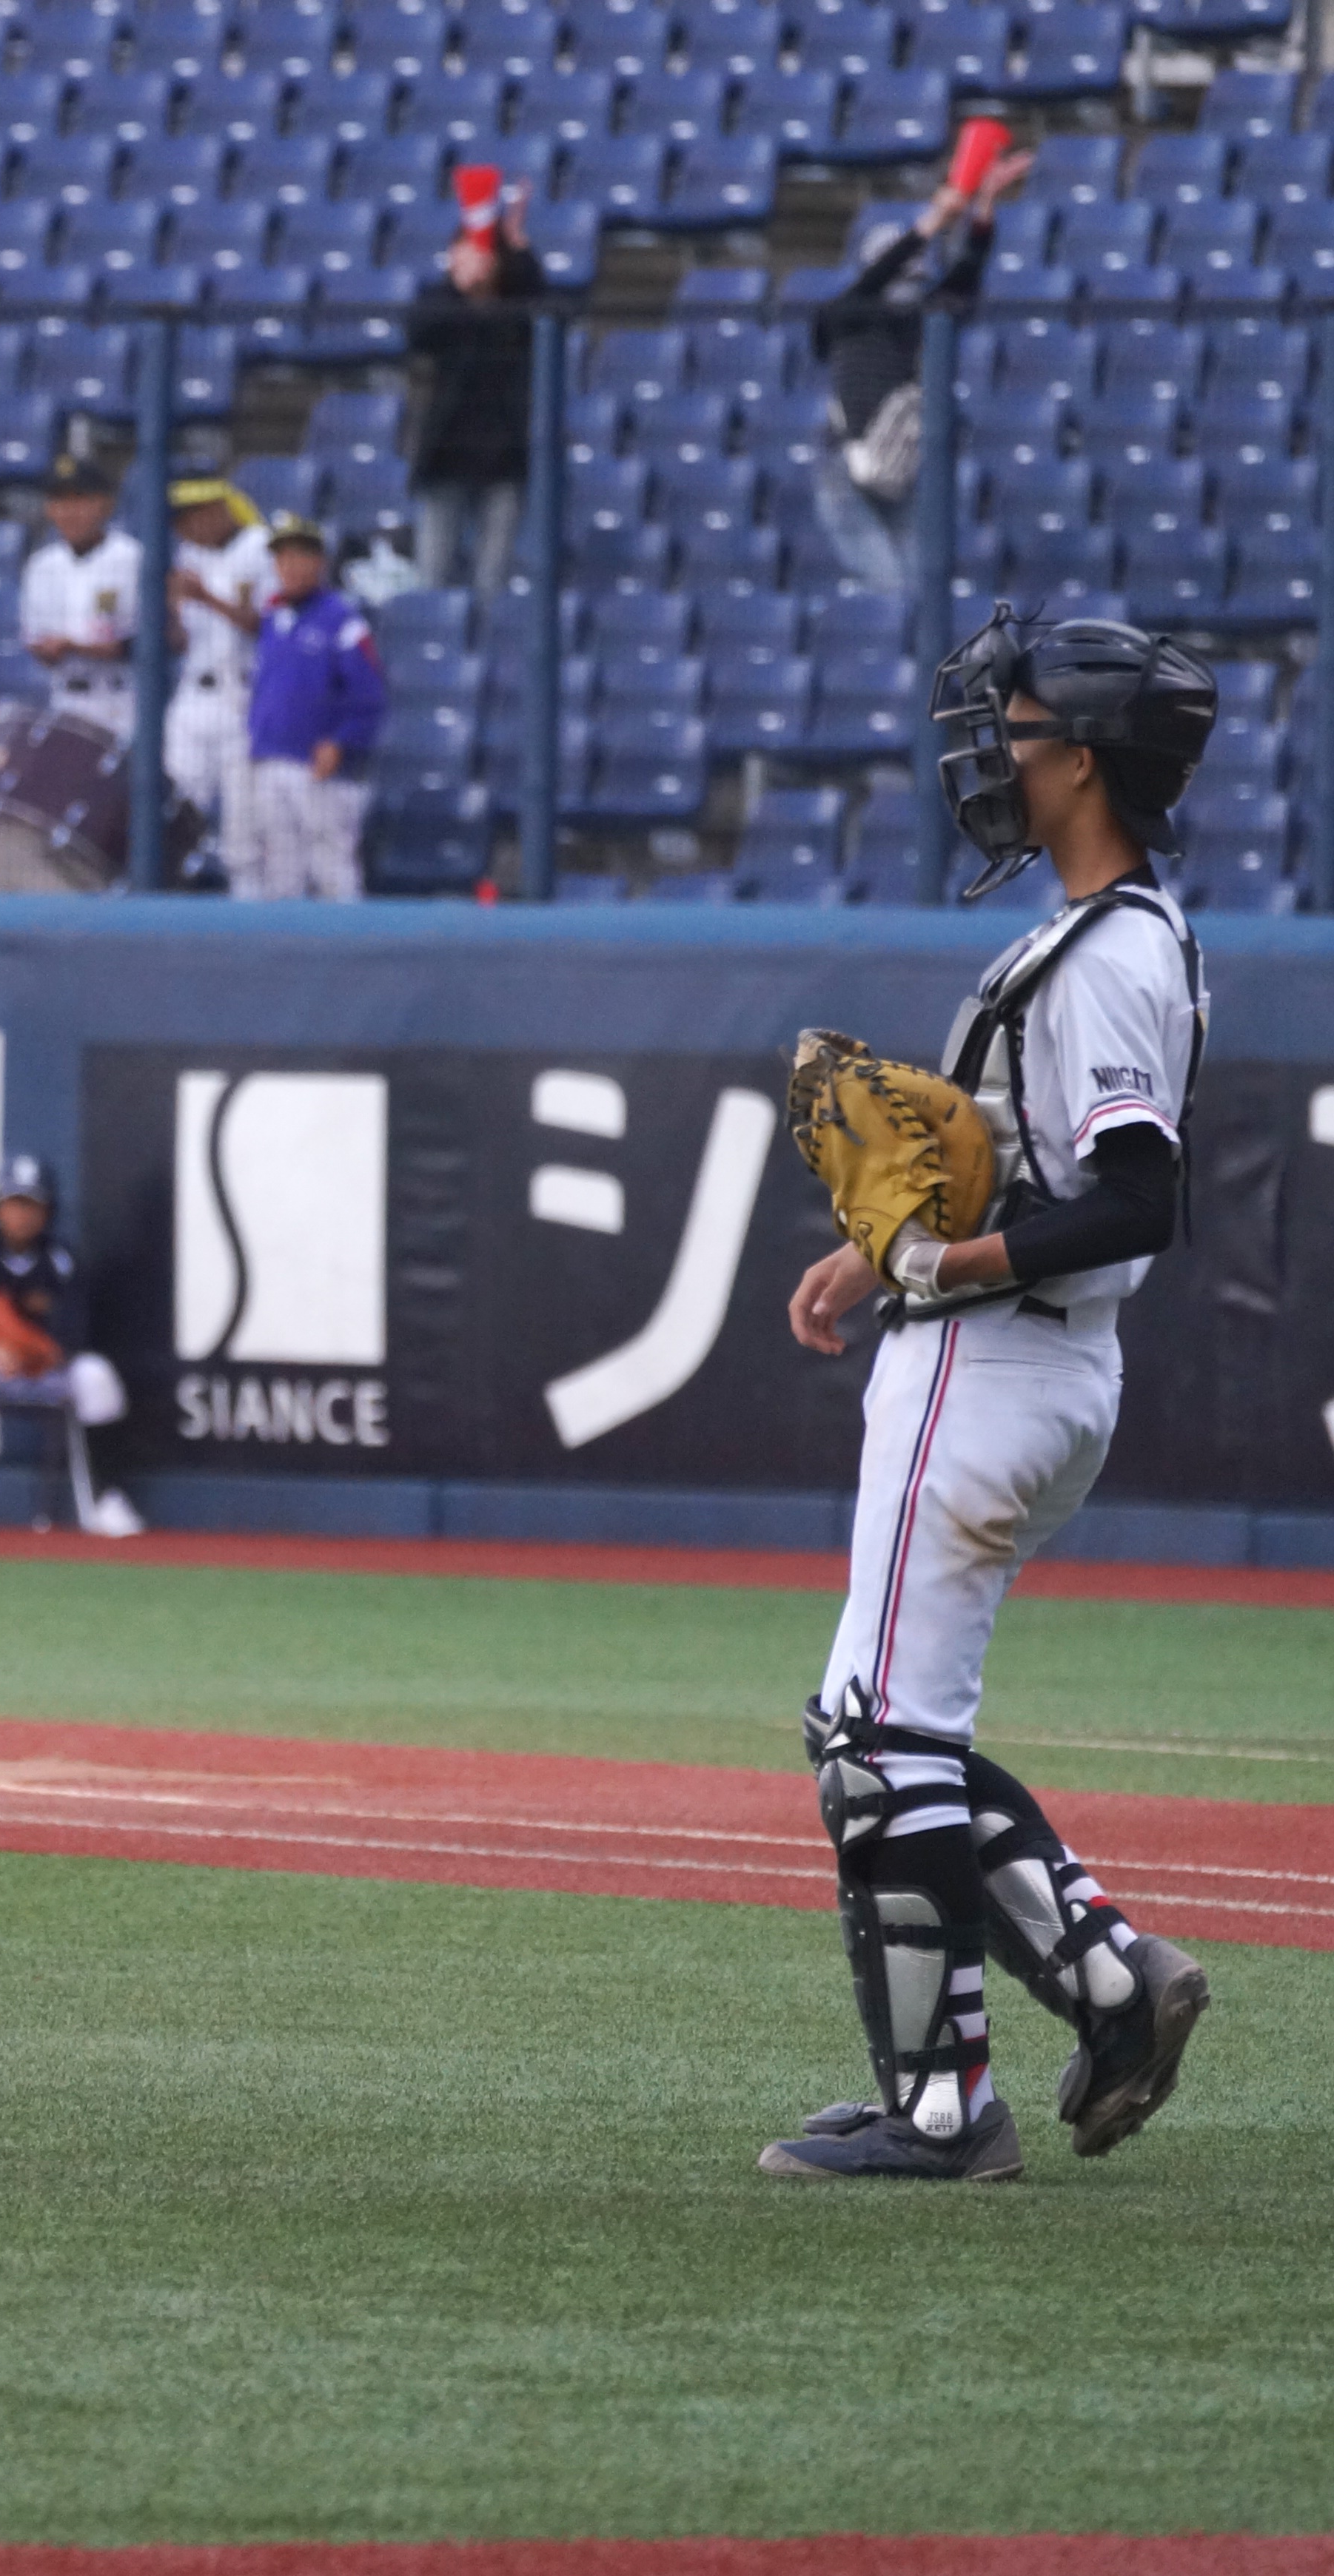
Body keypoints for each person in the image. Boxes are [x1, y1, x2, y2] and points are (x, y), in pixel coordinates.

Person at [761, 611, 1217, 2185]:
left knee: (878, 1740)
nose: (990, 754)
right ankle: (1106, 1981)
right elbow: (1026, 1168)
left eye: (1015, 730)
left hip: (995, 1354)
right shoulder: (1115, 934)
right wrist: (870, 1260)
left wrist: (940, 1265)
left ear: (1079, 760)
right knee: (873, 1731)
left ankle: (943, 2109)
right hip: (1026, 1357)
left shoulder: (1108, 952)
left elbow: (1135, 1196)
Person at [811, 149, 1027, 597]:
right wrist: (931, 224)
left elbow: (966, 275)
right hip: (848, 464)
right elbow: (871, 282)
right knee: (888, 585)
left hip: (902, 465)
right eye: (902, 274)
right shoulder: (847, 313)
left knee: (917, 585)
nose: (909, 284)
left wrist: (984, 207)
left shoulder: (921, 318)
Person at [0, 1155, 136, 1541]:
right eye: (14, 1203)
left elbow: (78, 1328)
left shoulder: (62, 1259)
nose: (22, 1214)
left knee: (97, 1376)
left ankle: (107, 1499)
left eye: (32, 1204)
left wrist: (40, 1352)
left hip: (44, 1370)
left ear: (48, 1211)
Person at [230, 515, 385, 902]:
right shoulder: (273, 616)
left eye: (301, 555)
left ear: (320, 562)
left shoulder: (342, 620)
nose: (292, 566)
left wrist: (341, 742)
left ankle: (351, 940)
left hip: (319, 764)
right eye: (283, 557)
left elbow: (369, 696)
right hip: (270, 758)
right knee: (280, 873)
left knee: (333, 869)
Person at [404, 200, 544, 596]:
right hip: (446, 454)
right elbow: (419, 335)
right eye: (464, 251)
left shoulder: (517, 308)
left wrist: (521, 254)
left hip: (504, 457)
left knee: (492, 581)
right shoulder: (440, 300)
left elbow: (546, 309)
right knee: (432, 575)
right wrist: (460, 290)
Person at [162, 478, 275, 875]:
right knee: (175, 813)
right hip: (193, 698)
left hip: (244, 698)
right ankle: (169, 900)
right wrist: (171, 607)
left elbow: (271, 627)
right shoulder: (189, 554)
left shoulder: (263, 547)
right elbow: (179, 643)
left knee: (244, 832)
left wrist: (207, 598)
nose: (184, 527)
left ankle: (249, 902)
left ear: (218, 509)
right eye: (179, 520)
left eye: (191, 516)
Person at [19, 451, 141, 728]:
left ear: (106, 505)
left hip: (119, 699)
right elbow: (35, 638)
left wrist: (74, 646)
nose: (69, 511)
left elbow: (139, 643)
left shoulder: (131, 557)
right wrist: (47, 649)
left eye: (80, 499)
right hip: (64, 698)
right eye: (60, 501)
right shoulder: (42, 565)